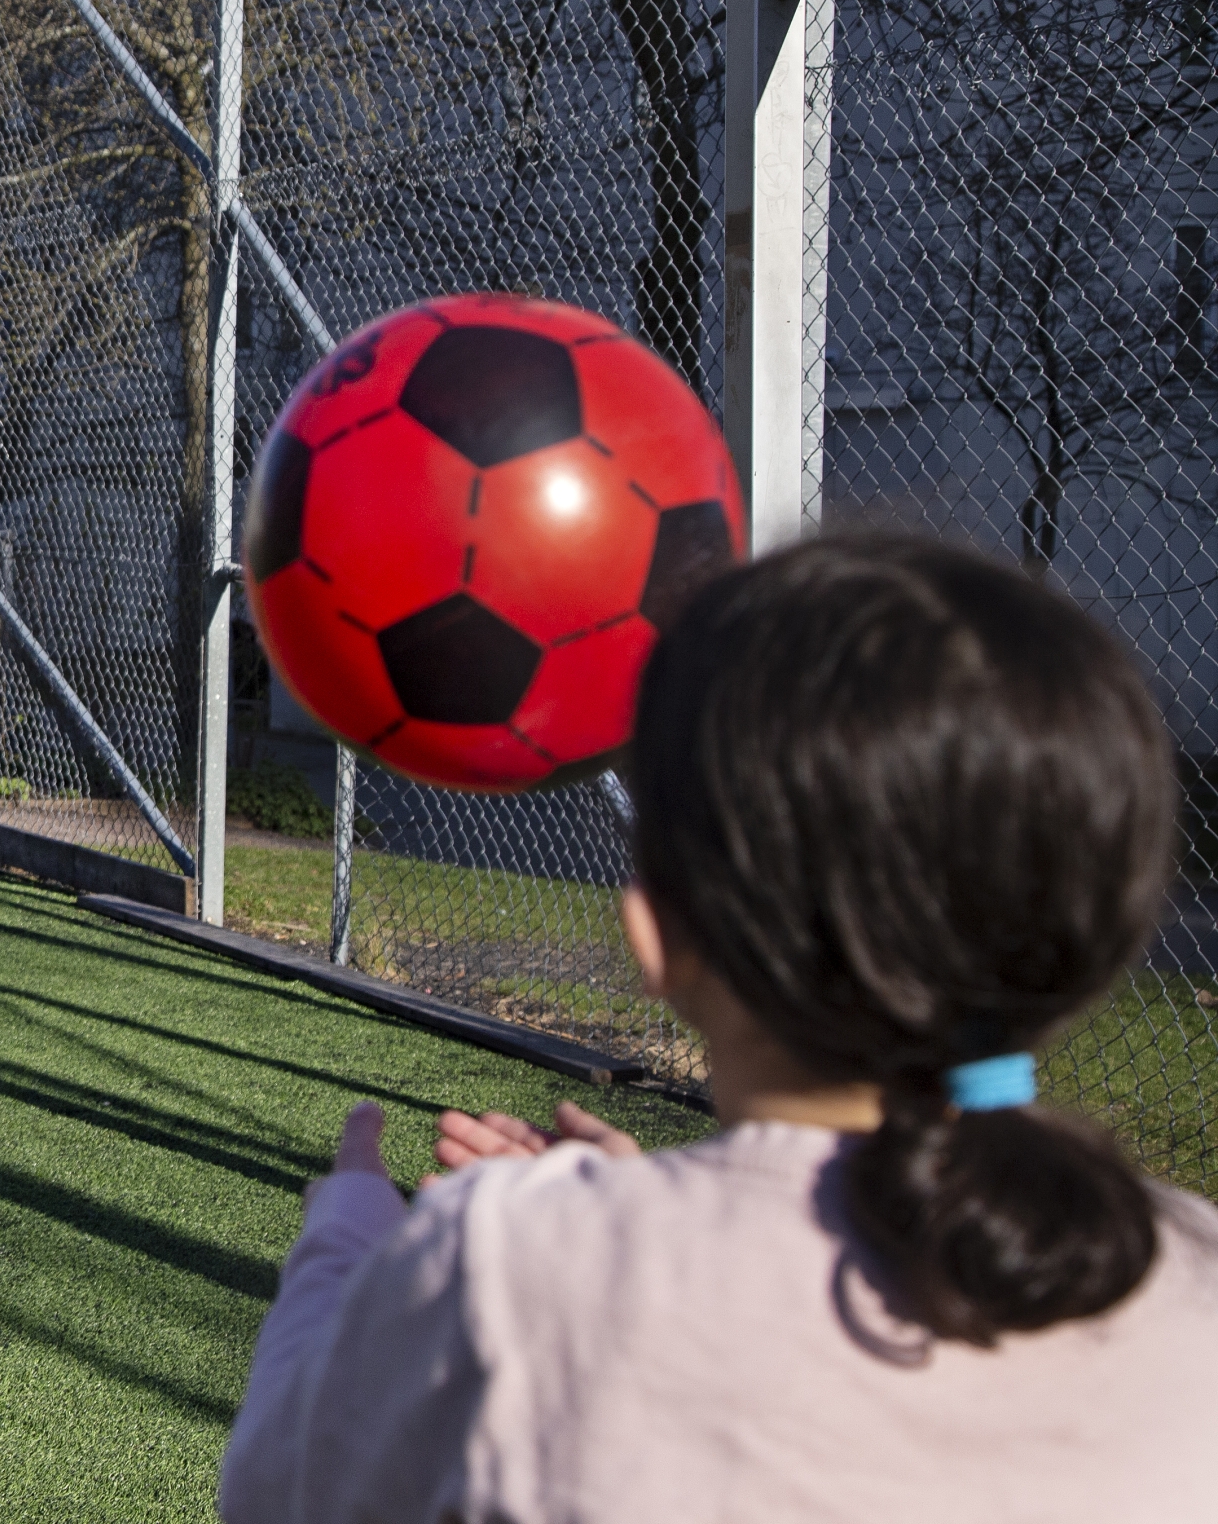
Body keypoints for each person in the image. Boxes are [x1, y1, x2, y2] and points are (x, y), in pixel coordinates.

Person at [219, 536, 1218, 1521]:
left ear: (659, 934)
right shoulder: (1193, 1270)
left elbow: (275, 1487)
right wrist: (649, 1202)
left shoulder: (511, 1271)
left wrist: (346, 1243)